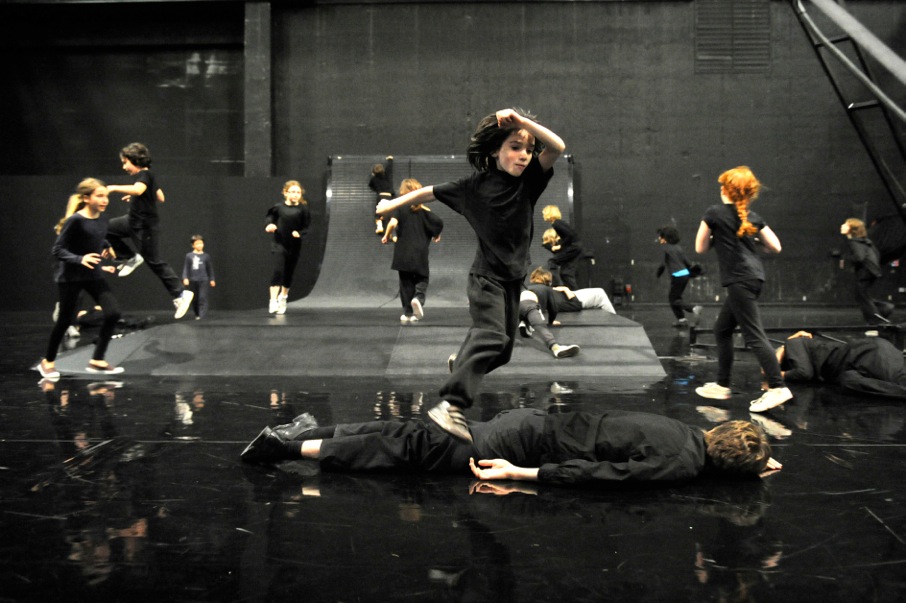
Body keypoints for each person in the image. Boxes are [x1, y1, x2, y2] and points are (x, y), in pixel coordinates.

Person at [376, 108, 566, 442]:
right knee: (492, 337)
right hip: (486, 278)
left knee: (503, 352)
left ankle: (462, 361)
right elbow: (428, 192)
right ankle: (450, 405)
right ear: (494, 150)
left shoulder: (530, 181)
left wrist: (523, 123)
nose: (524, 155)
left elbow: (557, 147)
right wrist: (392, 205)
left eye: (528, 149)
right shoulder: (472, 188)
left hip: (513, 280)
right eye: (515, 147)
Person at [239, 407, 782, 484]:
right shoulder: (684, 462)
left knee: (410, 432)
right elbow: (604, 478)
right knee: (412, 448)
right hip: (526, 444)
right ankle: (286, 449)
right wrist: (523, 474)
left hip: (529, 422)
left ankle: (308, 434)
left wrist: (753, 454)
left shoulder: (686, 432)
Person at [694, 166, 792, 413]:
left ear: (727, 190)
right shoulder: (752, 216)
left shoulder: (713, 213)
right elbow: (776, 247)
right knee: (722, 329)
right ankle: (722, 384)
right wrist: (752, 241)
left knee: (754, 335)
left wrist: (717, 238)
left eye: (722, 185)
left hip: (739, 280)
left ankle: (778, 387)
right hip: (753, 277)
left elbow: (700, 248)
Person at [36, 178, 124, 380]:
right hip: (71, 276)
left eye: (106, 196)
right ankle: (47, 362)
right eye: (99, 196)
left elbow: (96, 236)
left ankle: (97, 360)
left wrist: (107, 246)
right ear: (86, 198)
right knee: (65, 320)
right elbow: (58, 250)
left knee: (113, 313)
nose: (104, 200)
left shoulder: (102, 219)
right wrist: (80, 259)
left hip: (92, 274)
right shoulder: (75, 220)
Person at [105, 142, 195, 319]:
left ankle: (181, 294)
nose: (124, 167)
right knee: (106, 228)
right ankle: (129, 257)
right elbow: (160, 197)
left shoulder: (145, 174)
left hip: (144, 226)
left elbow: (139, 190)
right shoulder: (147, 176)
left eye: (125, 162)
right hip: (132, 221)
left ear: (135, 160)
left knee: (154, 261)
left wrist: (114, 188)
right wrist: (137, 196)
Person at [382, 178, 444, 323]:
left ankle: (408, 313)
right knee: (422, 278)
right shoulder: (425, 211)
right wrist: (436, 234)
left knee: (405, 284)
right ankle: (418, 298)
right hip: (419, 254)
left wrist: (387, 235)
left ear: (402, 192)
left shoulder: (399, 208)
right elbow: (438, 223)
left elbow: (392, 223)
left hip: (402, 254)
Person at [776, 330, 906, 398]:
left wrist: (776, 372)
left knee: (849, 380)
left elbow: (803, 373)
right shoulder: (802, 348)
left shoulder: (793, 343)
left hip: (865, 356)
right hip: (876, 350)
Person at [265, 180, 312, 315]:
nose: (295, 195)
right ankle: (273, 300)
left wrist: (300, 233)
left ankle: (283, 297)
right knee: (278, 270)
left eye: (298, 192)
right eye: (292, 192)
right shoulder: (278, 208)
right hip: (279, 244)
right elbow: (269, 218)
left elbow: (307, 227)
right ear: (285, 193)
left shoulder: (303, 209)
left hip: (294, 246)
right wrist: (269, 225)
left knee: (288, 274)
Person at [839, 218, 893, 325]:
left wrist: (845, 259)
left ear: (851, 229)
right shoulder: (864, 241)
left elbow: (859, 257)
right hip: (871, 271)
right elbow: (876, 254)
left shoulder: (854, 242)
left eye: (845, 224)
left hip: (865, 271)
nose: (842, 226)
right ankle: (884, 308)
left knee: (861, 296)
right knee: (862, 296)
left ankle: (876, 321)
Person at [656, 225, 703, 327]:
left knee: (673, 299)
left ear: (665, 238)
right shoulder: (678, 248)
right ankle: (682, 320)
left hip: (677, 275)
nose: (659, 238)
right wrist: (695, 271)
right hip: (685, 275)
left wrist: (658, 274)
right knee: (675, 297)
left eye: (661, 236)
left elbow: (662, 265)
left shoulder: (665, 248)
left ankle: (693, 308)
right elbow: (688, 263)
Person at [518, 287, 580, 358]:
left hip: (514, 306)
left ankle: (523, 323)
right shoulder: (546, 289)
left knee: (525, 314)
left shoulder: (527, 287)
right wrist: (551, 321)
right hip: (529, 305)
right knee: (540, 326)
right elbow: (553, 307)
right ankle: (555, 348)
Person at [528, 267, 615, 314]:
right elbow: (576, 305)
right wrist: (566, 289)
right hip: (575, 298)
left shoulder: (534, 289)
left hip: (571, 295)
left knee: (599, 292)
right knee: (600, 293)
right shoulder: (548, 294)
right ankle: (615, 322)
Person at [541, 205, 585, 289]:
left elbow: (570, 235)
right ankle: (573, 292)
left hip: (574, 247)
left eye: (544, 213)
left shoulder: (556, 224)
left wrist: (560, 246)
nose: (543, 216)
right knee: (565, 273)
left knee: (552, 261)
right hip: (576, 247)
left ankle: (554, 285)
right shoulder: (559, 223)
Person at [181, 234, 216, 320]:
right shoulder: (189, 256)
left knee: (202, 298)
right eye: (197, 243)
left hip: (203, 280)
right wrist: (185, 277)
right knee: (195, 298)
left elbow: (209, 268)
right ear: (193, 245)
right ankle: (197, 314)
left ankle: (202, 316)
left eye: (201, 243)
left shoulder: (206, 256)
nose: (199, 245)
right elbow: (186, 268)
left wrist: (212, 279)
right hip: (193, 280)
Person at [369, 156, 394, 235]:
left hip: (380, 195)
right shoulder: (387, 176)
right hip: (389, 196)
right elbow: (389, 169)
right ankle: (392, 232)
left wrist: (376, 190)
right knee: (390, 213)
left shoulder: (374, 179)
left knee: (378, 212)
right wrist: (390, 160)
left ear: (374, 173)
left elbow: (370, 185)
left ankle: (379, 227)